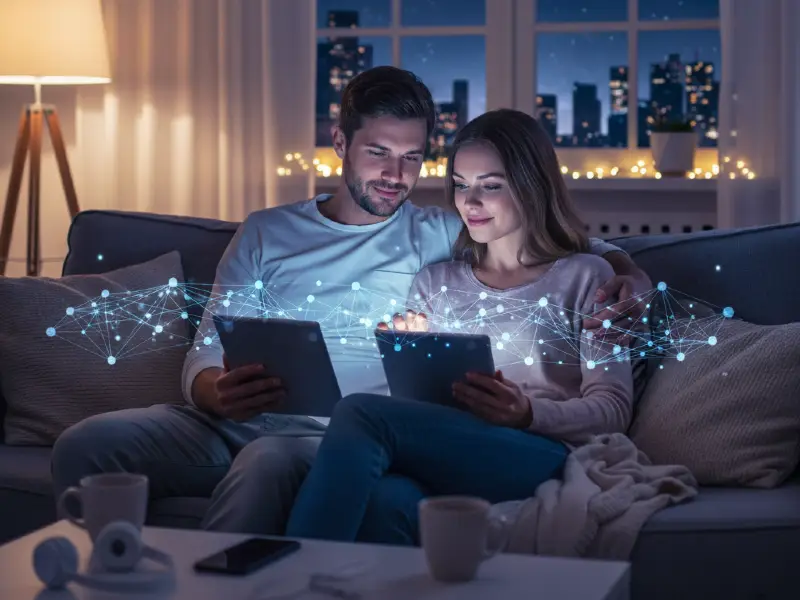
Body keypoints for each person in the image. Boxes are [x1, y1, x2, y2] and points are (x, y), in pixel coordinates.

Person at [51, 68, 649, 540]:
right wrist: (213, 388)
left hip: (329, 437)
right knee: (86, 443)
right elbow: (206, 346)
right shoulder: (266, 232)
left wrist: (630, 276)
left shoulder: (440, 234)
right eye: (378, 152)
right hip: (226, 420)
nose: (396, 174)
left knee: (269, 461)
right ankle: (108, 574)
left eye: (413, 157)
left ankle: (228, 587)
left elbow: (556, 244)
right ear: (340, 142)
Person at [284, 108, 636, 544]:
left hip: (541, 451)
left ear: (531, 187)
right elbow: (419, 408)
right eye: (461, 185)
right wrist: (405, 360)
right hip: (454, 445)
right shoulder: (436, 282)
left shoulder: (587, 277)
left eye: (491, 186)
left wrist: (526, 413)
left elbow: (614, 412)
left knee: (359, 411)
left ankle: (288, 578)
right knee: (386, 500)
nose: (470, 202)